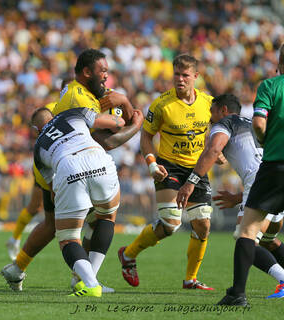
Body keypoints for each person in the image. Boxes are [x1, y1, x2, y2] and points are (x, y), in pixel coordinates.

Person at [1, 48, 143, 292]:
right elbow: (109, 138)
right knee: (85, 219)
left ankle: (83, 280)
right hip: (88, 160)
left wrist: (124, 104)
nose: (106, 77)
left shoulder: (46, 134)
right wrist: (132, 121)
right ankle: (76, 277)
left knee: (67, 229)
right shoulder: (77, 106)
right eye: (103, 72)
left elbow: (54, 193)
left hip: (62, 164)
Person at [176, 93, 284, 304]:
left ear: (223, 110)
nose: (210, 117)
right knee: (268, 240)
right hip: (275, 175)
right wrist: (239, 197)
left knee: (244, 236)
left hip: (259, 179)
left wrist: (191, 182)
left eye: (212, 112)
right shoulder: (252, 123)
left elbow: (214, 149)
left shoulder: (225, 123)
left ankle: (267, 284)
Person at [118, 54, 214, 290]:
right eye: (176, 74)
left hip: (198, 168)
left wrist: (218, 152)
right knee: (171, 224)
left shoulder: (208, 103)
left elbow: (216, 132)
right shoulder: (162, 105)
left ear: (196, 77)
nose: (180, 79)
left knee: (203, 226)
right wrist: (151, 164)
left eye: (185, 75)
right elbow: (146, 137)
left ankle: (190, 279)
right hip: (168, 167)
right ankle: (129, 255)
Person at [214, 44, 284, 305]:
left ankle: (238, 294)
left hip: (276, 164)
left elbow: (257, 122)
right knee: (269, 239)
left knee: (246, 232)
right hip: (268, 175)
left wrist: (266, 140)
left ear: (279, 63)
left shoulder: (270, 86)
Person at [32, 106, 125, 297]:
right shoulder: (71, 113)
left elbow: (53, 193)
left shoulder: (38, 147)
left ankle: (90, 283)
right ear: (53, 116)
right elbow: (117, 123)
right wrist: (120, 117)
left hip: (67, 167)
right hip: (97, 158)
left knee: (68, 238)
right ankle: (93, 280)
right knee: (107, 218)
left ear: (36, 130)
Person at [6, 78, 72, 261]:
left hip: (69, 165)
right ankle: (15, 240)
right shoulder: (52, 108)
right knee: (38, 208)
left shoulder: (86, 106)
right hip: (49, 165)